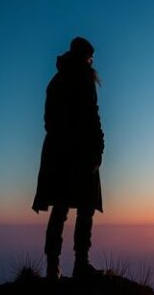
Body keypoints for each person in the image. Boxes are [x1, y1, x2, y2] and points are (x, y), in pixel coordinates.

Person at [32, 37, 104, 278]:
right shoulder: (84, 78)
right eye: (89, 57)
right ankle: (80, 264)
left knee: (60, 207)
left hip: (58, 152)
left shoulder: (57, 81)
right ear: (85, 57)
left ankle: (53, 267)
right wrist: (97, 148)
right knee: (85, 208)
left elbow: (49, 122)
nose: (90, 61)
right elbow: (92, 117)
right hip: (81, 151)